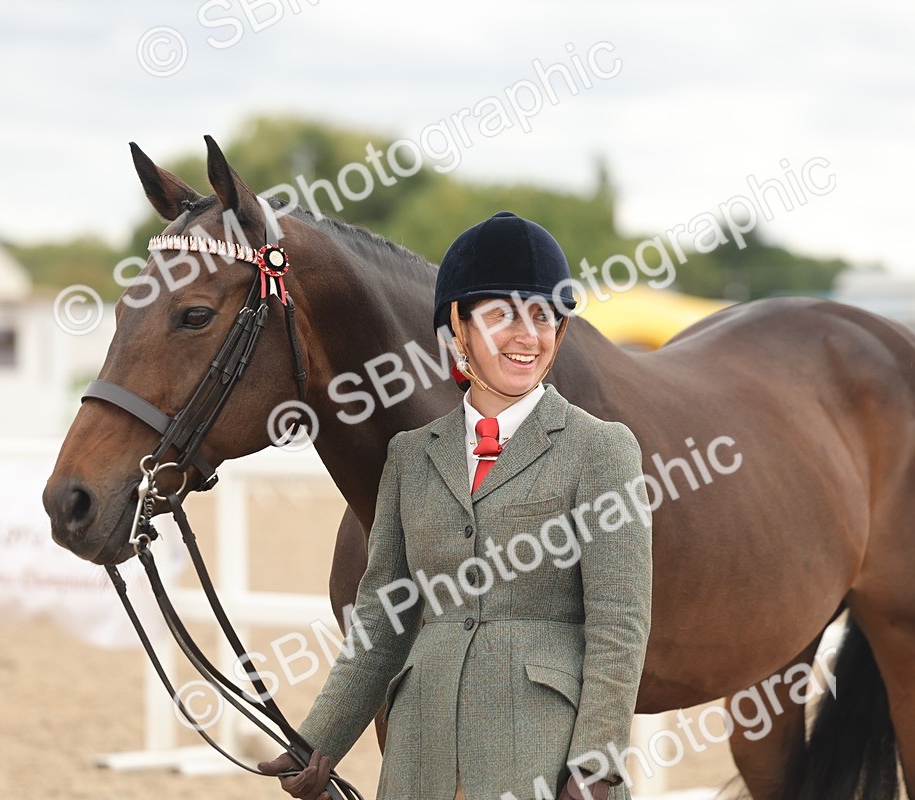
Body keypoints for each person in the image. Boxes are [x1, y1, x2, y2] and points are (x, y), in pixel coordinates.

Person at [260, 211, 653, 800]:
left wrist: (596, 762)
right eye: (500, 316)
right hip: (422, 752)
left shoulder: (602, 450)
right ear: (456, 331)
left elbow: (619, 624)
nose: (526, 336)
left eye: (542, 316)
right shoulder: (411, 457)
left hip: (545, 756)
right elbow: (383, 617)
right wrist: (317, 740)